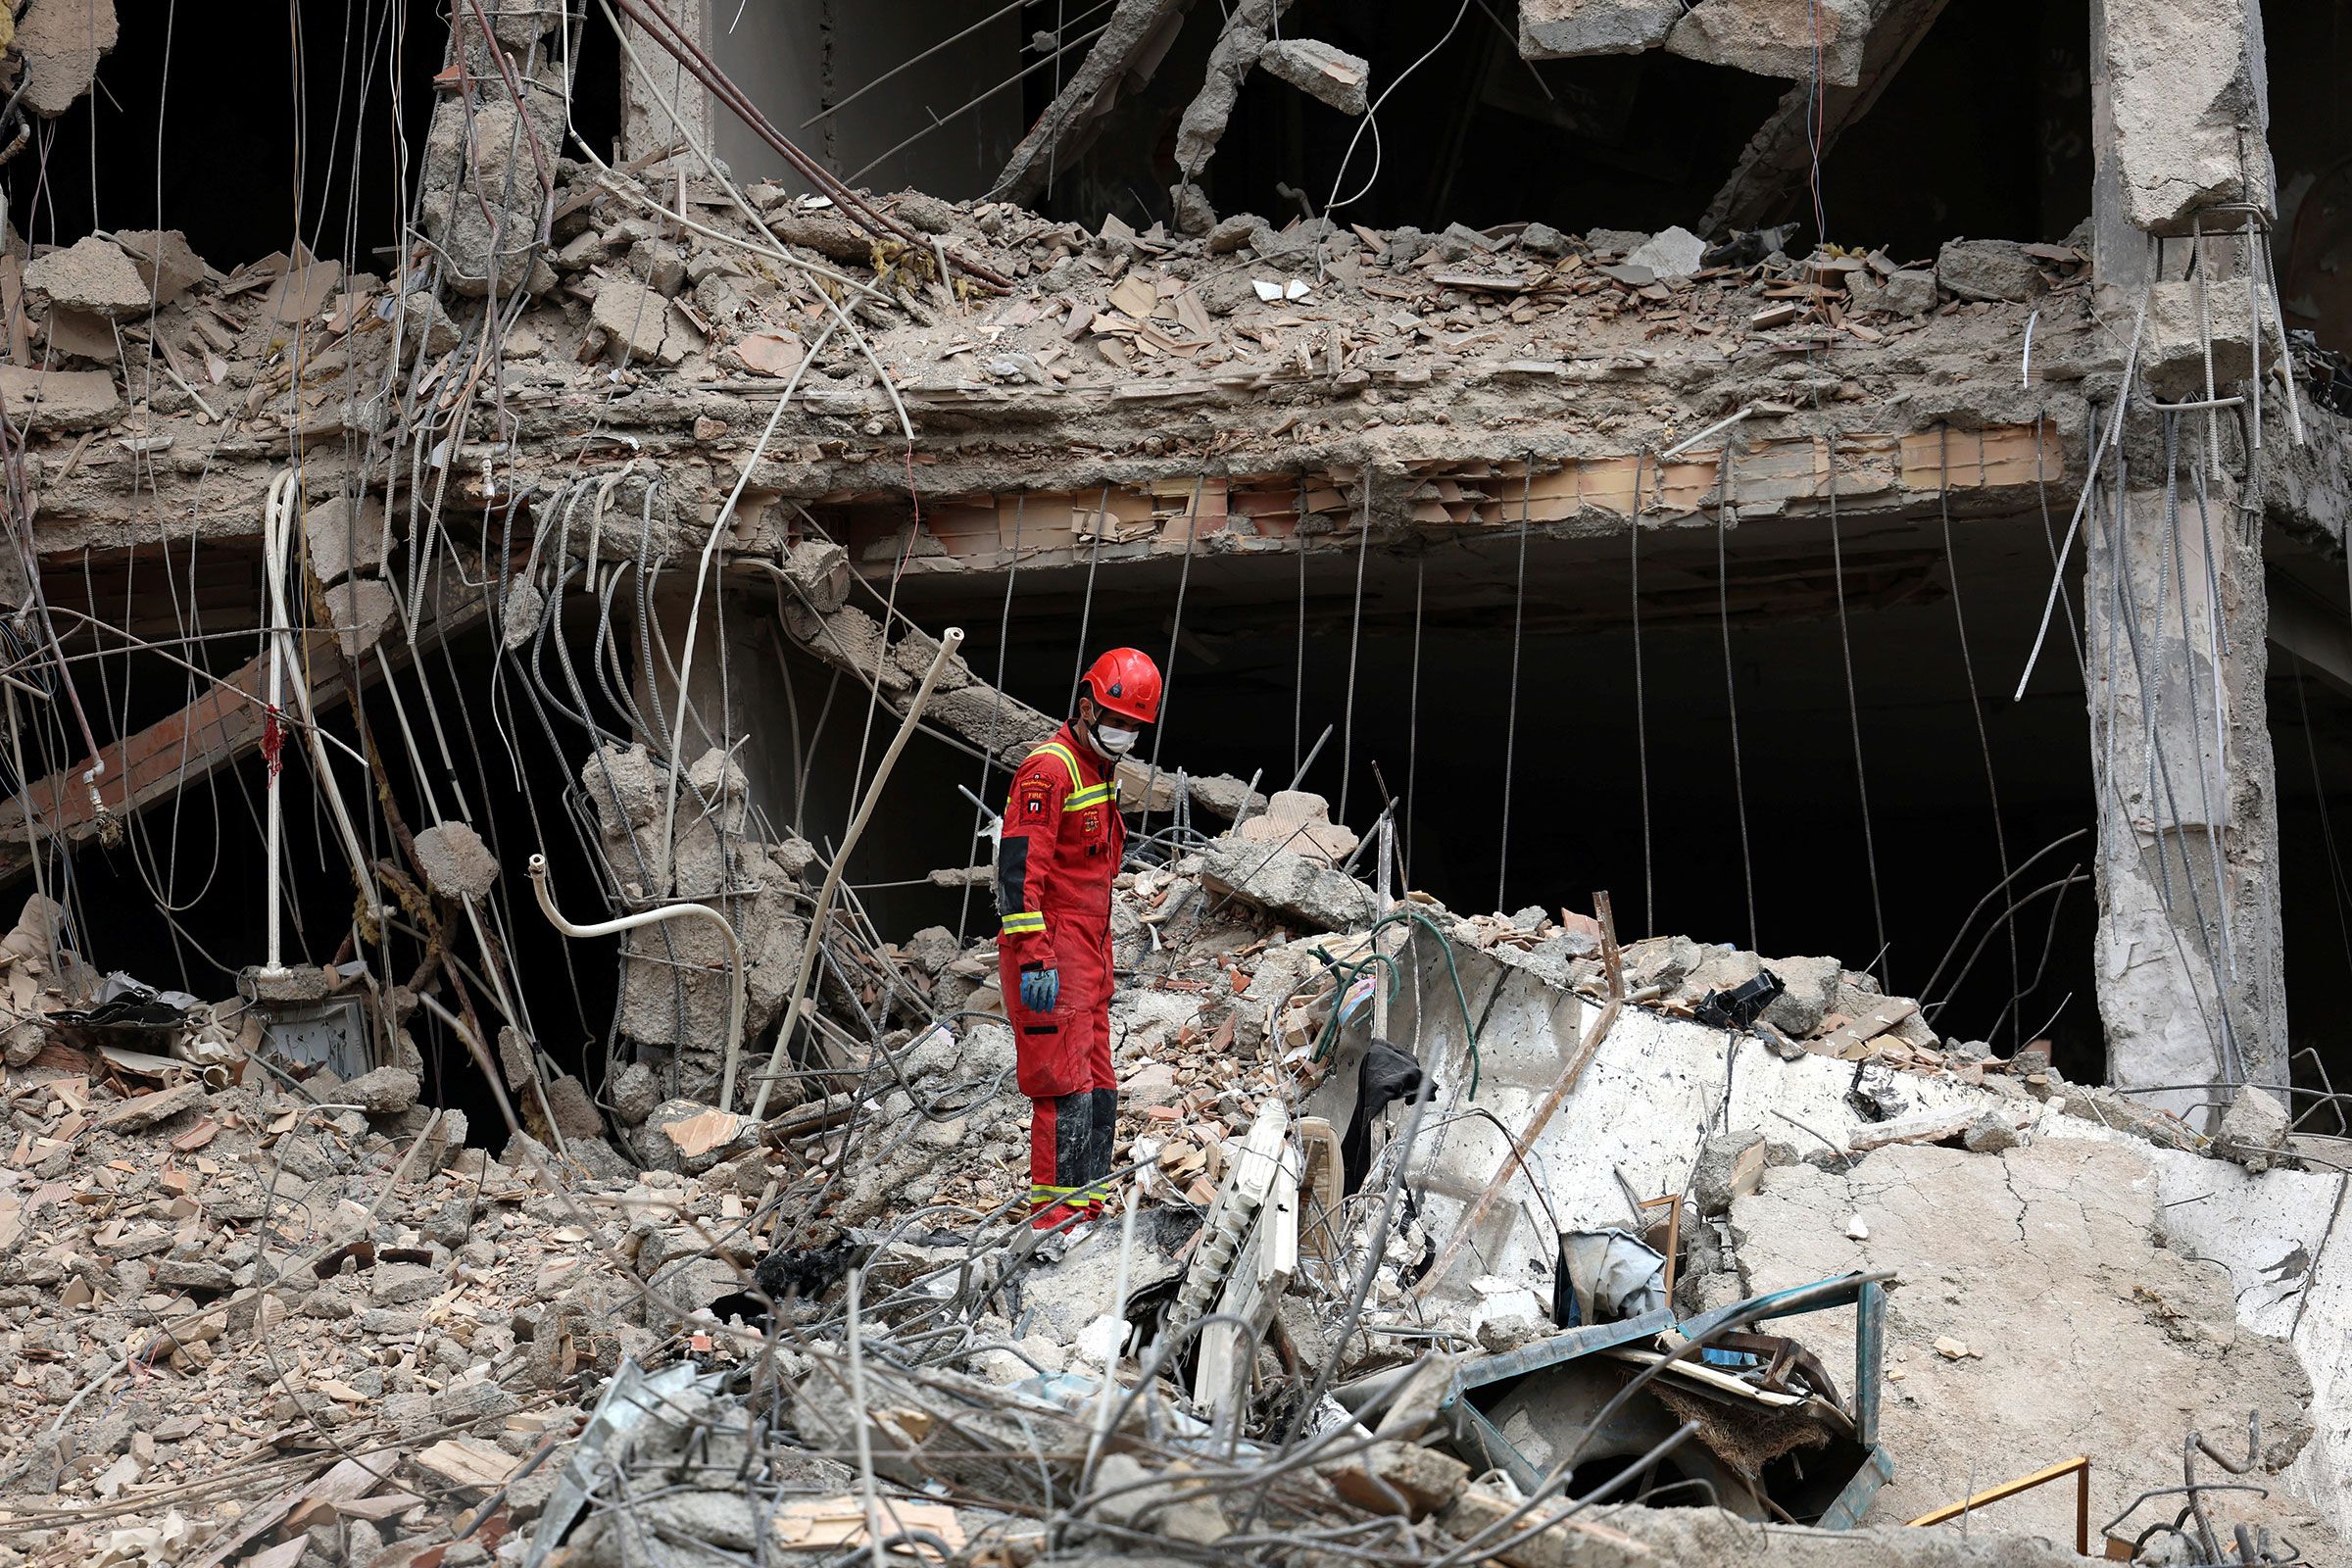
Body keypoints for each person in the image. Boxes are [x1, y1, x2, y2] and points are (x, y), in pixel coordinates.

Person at [997, 647, 1161, 1242]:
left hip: (1087, 948)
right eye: (1115, 722)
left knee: (1096, 1079)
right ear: (1087, 706)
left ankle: (1087, 1207)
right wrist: (1035, 955)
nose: (1122, 735)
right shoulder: (1050, 770)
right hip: (1052, 949)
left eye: (1133, 728)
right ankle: (1057, 1218)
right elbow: (1019, 876)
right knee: (1060, 1084)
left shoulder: (1099, 770)